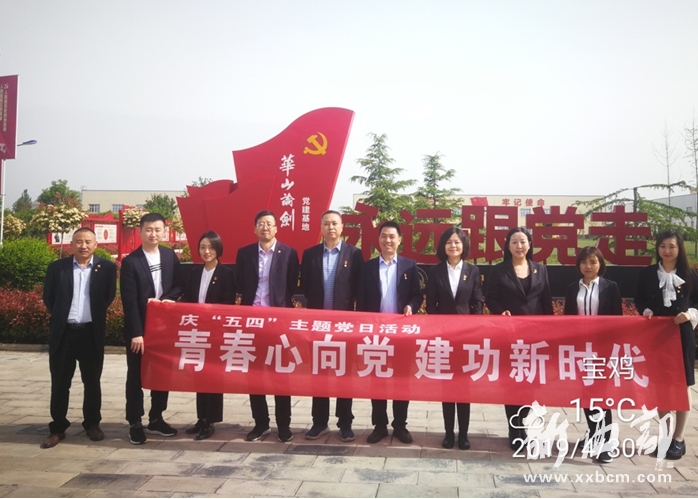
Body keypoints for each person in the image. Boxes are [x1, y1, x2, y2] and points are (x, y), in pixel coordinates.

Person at [40, 228, 117, 448]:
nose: (83, 246)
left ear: (95, 245)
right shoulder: (57, 268)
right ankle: (57, 428)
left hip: (90, 333)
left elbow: (108, 296)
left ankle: (92, 424)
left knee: (92, 382)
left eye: (88, 242)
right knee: (60, 383)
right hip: (63, 333)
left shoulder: (107, 268)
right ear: (72, 244)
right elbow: (49, 297)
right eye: (79, 242)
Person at [485, 226, 553, 450]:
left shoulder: (540, 269)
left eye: (523, 241)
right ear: (507, 245)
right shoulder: (499, 270)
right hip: (509, 335)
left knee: (530, 383)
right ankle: (514, 428)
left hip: (535, 337)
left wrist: (551, 332)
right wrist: (500, 311)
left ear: (530, 244)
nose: (519, 246)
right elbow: (490, 298)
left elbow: (546, 301)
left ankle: (523, 423)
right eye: (514, 242)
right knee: (511, 382)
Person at [357, 220, 423, 444]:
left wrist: (411, 306)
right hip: (375, 334)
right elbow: (361, 299)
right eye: (384, 236)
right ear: (378, 240)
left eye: (392, 236)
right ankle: (379, 426)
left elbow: (417, 295)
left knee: (401, 381)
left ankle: (400, 425)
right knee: (377, 380)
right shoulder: (367, 267)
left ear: (399, 240)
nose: (388, 240)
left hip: (401, 333)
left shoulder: (409, 266)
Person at [121, 212, 184, 445]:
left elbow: (179, 284)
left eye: (157, 229)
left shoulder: (169, 256)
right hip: (140, 329)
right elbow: (129, 301)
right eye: (148, 229)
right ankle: (135, 422)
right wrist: (136, 333)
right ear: (140, 232)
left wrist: (168, 299)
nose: (153, 234)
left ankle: (156, 418)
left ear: (164, 232)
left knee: (161, 374)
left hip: (163, 328)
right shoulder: (131, 262)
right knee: (136, 376)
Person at [300, 210, 363, 442]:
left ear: (342, 227)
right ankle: (319, 422)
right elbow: (305, 287)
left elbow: (358, 288)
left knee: (344, 375)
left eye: (335, 223)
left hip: (344, 326)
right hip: (318, 325)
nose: (331, 227)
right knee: (320, 374)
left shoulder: (354, 254)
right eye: (326, 223)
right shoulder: (310, 254)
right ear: (321, 227)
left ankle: (345, 422)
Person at [236, 210, 299, 442]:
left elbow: (291, 286)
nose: (265, 227)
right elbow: (241, 284)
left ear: (276, 228)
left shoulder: (289, 253)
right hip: (252, 321)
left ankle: (284, 425)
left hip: (278, 321)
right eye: (261, 223)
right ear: (255, 228)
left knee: (280, 374)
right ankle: (261, 423)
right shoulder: (244, 254)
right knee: (255, 375)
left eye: (269, 224)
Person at [635, 229, 698, 460]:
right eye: (663, 246)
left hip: (681, 334)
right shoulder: (648, 273)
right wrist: (646, 310)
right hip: (657, 335)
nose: (667, 251)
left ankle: (678, 439)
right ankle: (665, 436)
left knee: (683, 384)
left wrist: (690, 314)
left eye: (672, 246)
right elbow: (639, 298)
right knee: (661, 385)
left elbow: (697, 302)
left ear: (679, 248)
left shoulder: (690, 274)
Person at [426, 227, 483, 451]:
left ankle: (464, 434)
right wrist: (439, 327)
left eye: (457, 242)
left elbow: (477, 302)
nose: (453, 246)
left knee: (464, 387)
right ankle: (449, 433)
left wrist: (473, 328)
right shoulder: (435, 271)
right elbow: (431, 303)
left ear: (463, 245)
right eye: (449, 242)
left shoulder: (473, 270)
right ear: (443, 246)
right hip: (444, 338)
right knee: (447, 386)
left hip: (466, 338)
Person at [563, 246, 622, 464]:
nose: (588, 266)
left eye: (593, 262)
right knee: (586, 394)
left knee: (602, 396)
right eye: (584, 262)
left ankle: (606, 444)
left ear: (600, 264)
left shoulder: (610, 287)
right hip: (580, 349)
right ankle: (593, 433)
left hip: (602, 349)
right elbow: (568, 319)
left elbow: (617, 319)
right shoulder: (572, 288)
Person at [181, 231, 237, 440]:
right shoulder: (194, 273)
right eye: (203, 247)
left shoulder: (226, 274)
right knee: (199, 374)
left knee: (212, 376)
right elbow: (188, 299)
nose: (207, 251)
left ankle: (210, 420)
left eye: (211, 247)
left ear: (218, 249)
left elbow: (227, 304)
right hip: (197, 332)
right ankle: (201, 417)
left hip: (216, 333)